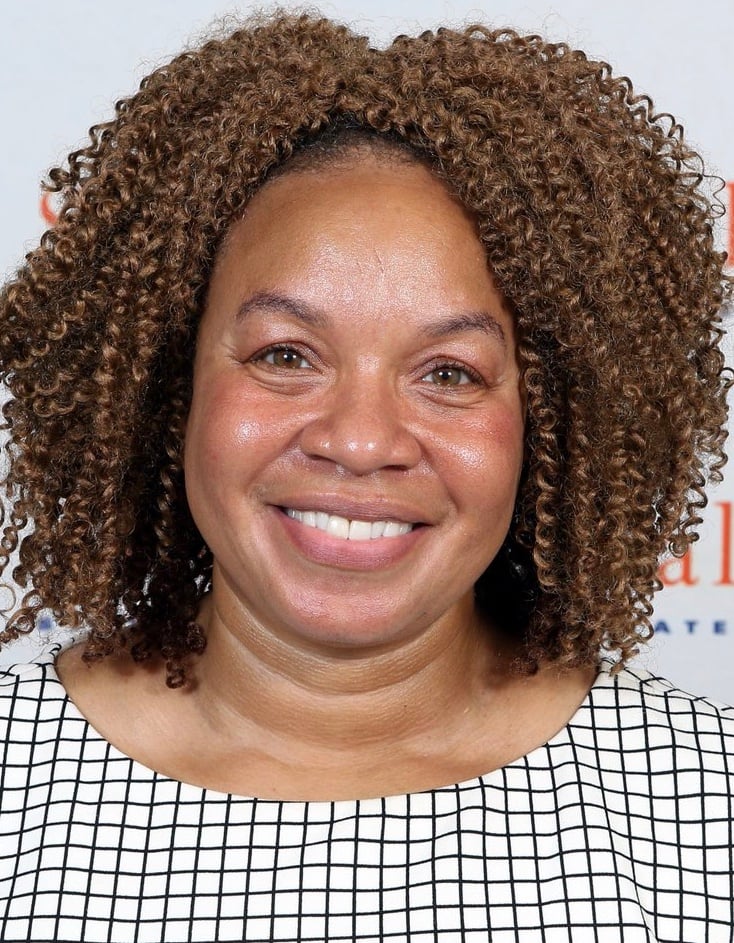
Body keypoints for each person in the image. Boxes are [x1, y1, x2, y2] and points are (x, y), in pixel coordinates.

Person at [0, 11, 732, 942]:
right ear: (169, 384)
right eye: (285, 355)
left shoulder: (704, 804)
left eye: (449, 373)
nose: (358, 440)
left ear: (552, 421)